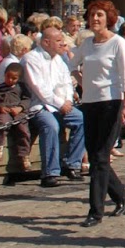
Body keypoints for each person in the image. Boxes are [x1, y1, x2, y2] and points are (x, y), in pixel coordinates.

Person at [72, 0, 125, 227]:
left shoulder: (117, 42)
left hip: (111, 103)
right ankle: (121, 194)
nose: (95, 19)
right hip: (90, 103)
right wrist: (82, 82)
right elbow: (71, 65)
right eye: (92, 15)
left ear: (108, 18)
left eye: (99, 15)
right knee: (95, 154)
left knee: (100, 157)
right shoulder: (87, 44)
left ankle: (95, 211)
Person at [21, 26, 86, 187]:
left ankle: (72, 164)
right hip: (39, 106)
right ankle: (50, 172)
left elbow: (66, 82)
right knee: (51, 125)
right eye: (58, 41)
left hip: (61, 104)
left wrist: (68, 100)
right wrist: (59, 103)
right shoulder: (31, 58)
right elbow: (39, 88)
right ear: (46, 42)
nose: (62, 44)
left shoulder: (58, 60)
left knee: (81, 119)